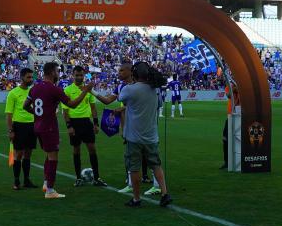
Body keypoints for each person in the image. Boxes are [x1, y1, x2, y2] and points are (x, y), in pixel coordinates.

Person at [94, 62, 171, 208]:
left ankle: (136, 198)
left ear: (134, 74)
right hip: (151, 135)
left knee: (134, 168)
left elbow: (121, 99)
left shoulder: (129, 89)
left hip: (134, 136)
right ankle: (164, 193)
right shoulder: (154, 89)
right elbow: (157, 104)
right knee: (156, 165)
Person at [23, 62, 93, 199]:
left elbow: (25, 105)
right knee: (53, 157)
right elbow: (72, 105)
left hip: (37, 126)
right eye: (57, 71)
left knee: (48, 155)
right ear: (51, 72)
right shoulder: (53, 89)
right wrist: (85, 90)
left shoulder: (35, 88)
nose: (58, 74)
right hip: (49, 127)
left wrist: (38, 115)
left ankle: (45, 183)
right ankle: (50, 190)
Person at [64, 65, 106, 187]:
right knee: (76, 150)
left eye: (81, 75)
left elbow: (93, 108)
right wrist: (69, 126)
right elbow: (65, 112)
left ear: (84, 75)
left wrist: (96, 123)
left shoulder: (88, 90)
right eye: (76, 75)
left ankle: (97, 178)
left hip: (86, 123)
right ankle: (78, 178)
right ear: (73, 75)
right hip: (74, 123)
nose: (79, 77)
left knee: (92, 149)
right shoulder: (67, 90)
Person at [5, 67, 38, 190]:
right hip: (19, 126)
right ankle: (16, 181)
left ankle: (27, 180)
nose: (30, 79)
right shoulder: (13, 93)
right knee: (18, 154)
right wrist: (10, 130)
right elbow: (8, 114)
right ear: (22, 78)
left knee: (28, 154)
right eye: (28, 77)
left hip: (32, 125)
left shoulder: (33, 92)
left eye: (31, 77)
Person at [222, 83, 239, 170]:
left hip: (238, 116)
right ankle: (227, 161)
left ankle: (235, 161)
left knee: (238, 139)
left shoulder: (241, 86)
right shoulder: (229, 86)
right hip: (230, 116)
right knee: (225, 138)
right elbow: (229, 95)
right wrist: (235, 88)